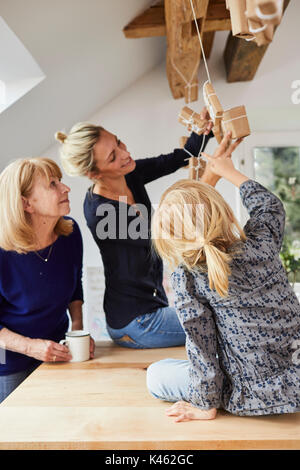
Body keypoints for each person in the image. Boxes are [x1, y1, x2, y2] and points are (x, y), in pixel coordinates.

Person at [147, 131, 300, 420]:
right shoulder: (260, 243)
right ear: (226, 212)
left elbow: (202, 348)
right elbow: (270, 206)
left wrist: (205, 406)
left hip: (251, 393)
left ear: (171, 239)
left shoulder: (187, 279)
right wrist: (228, 171)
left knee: (156, 374)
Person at [55, 108, 216, 349]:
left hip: (152, 310)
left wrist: (203, 132)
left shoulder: (129, 174)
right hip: (136, 323)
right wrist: (211, 177)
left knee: (220, 315)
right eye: (112, 156)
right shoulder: (101, 212)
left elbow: (175, 159)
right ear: (94, 173)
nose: (124, 153)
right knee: (220, 317)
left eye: (118, 142)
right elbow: (167, 233)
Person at [0, 157, 95, 404]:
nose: (66, 188)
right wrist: (32, 347)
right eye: (52, 184)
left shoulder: (70, 233)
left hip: (56, 351)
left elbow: (75, 285)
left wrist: (77, 331)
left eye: (60, 181)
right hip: (8, 361)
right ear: (25, 203)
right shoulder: (2, 252)